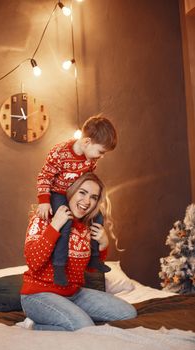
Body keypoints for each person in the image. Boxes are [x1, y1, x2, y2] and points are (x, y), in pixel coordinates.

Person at [20, 173, 137, 331]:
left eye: (93, 197)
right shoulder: (44, 218)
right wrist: (54, 226)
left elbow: (91, 269)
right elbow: (34, 262)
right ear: (70, 191)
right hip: (38, 295)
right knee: (84, 327)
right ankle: (36, 326)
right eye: (82, 192)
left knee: (127, 313)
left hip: (74, 294)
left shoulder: (88, 226)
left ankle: (54, 322)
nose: (87, 201)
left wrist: (103, 245)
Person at [36, 115, 117, 286]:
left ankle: (94, 258)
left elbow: (89, 178)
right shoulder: (60, 152)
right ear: (87, 142)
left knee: (99, 217)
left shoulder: (91, 159)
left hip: (75, 194)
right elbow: (45, 176)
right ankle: (59, 266)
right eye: (101, 152)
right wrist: (44, 200)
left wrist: (92, 196)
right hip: (58, 193)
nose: (101, 156)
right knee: (65, 223)